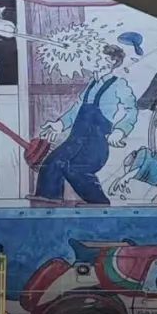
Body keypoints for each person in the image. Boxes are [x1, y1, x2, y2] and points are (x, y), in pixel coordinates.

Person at [33, 43, 137, 206]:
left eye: (98, 57)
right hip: (75, 140)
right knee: (51, 163)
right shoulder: (91, 85)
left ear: (111, 61)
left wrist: (120, 131)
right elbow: (76, 110)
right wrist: (59, 124)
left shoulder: (118, 84)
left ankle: (99, 204)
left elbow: (132, 110)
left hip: (95, 145)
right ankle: (48, 201)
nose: (92, 60)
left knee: (75, 169)